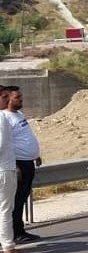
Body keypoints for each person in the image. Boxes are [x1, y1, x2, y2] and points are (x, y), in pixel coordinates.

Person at [3, 85, 43, 244]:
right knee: (16, 200)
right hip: (18, 164)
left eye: (21, 96)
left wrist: (35, 155)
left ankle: (19, 230)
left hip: (27, 162)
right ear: (8, 99)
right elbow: (7, 144)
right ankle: (15, 232)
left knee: (22, 197)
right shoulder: (5, 118)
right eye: (17, 97)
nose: (21, 100)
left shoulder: (18, 114)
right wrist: (15, 166)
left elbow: (24, 137)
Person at [0, 88, 26, 253]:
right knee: (5, 210)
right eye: (3, 97)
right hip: (3, 169)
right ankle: (8, 248)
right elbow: (1, 144)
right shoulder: (1, 117)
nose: (6, 100)